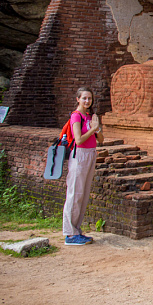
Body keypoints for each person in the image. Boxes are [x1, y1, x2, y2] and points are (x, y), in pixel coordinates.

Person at [63, 87, 104, 246]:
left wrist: (97, 128)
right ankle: (69, 233)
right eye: (84, 98)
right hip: (79, 155)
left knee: (84, 193)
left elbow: (101, 139)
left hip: (90, 154)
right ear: (78, 99)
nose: (87, 101)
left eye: (90, 99)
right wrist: (93, 129)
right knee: (74, 193)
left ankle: (76, 230)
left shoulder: (90, 117)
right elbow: (78, 140)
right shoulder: (76, 116)